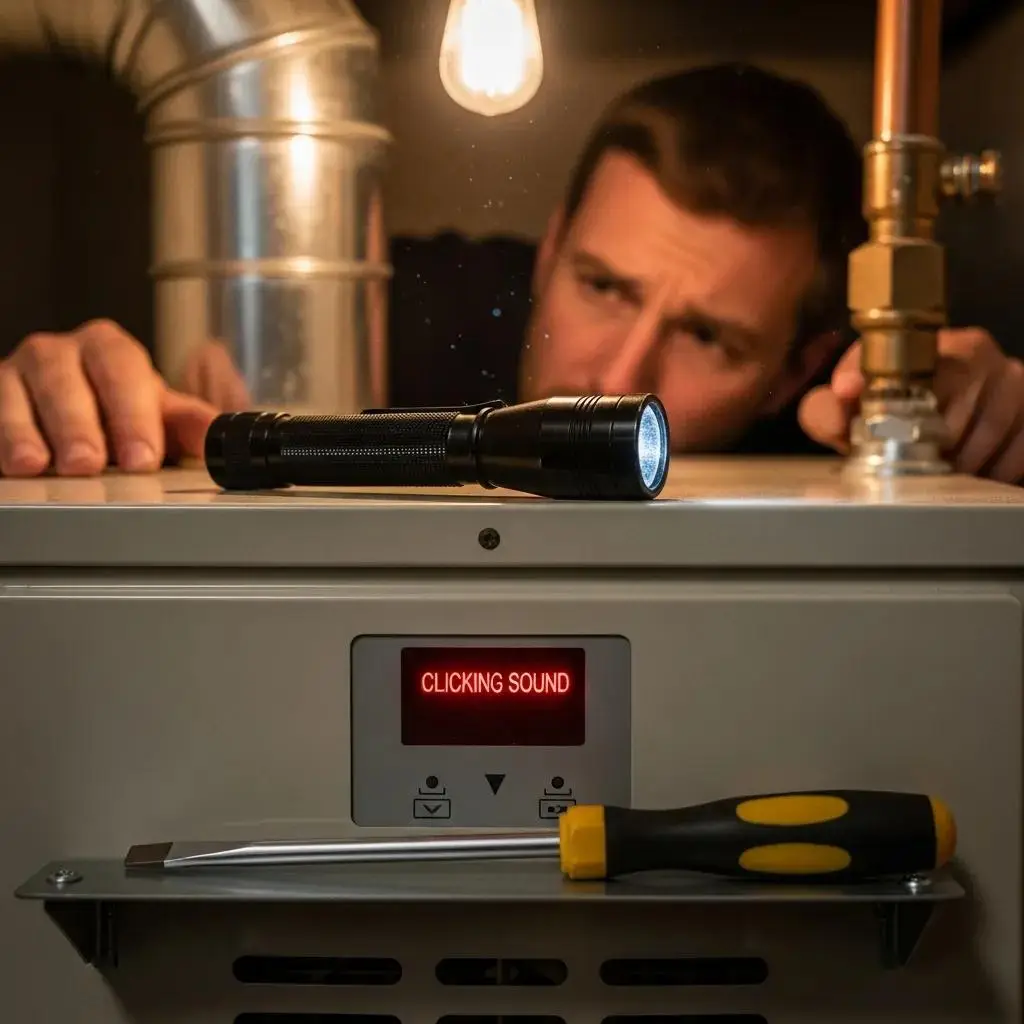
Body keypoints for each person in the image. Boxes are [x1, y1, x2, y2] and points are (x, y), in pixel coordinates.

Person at [2, 62, 1023, 482]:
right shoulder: (381, 312)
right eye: (602, 285)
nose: (621, 370)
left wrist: (976, 429)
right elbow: (181, 407)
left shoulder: (840, 419)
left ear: (800, 366)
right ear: (547, 247)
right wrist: (86, 406)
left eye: (710, 335)